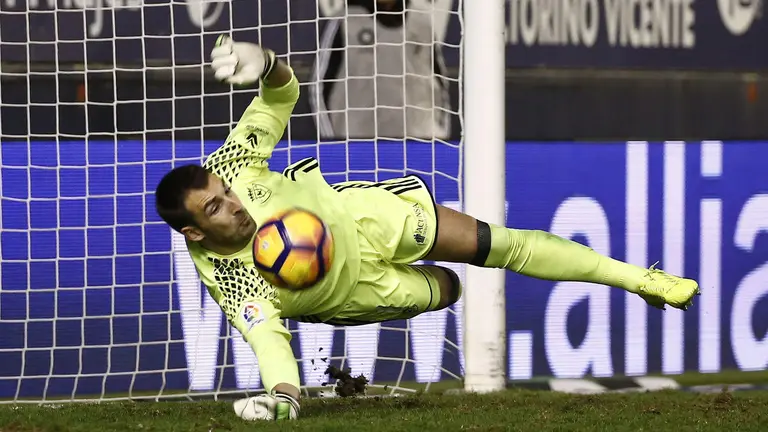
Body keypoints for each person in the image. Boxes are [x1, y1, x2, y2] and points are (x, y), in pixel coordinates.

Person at [154, 37, 700, 421]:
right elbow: (271, 346)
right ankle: (431, 289)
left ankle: (638, 280)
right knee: (448, 288)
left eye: (225, 195)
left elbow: (280, 95)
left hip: (367, 219)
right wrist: (284, 401)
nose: (233, 205)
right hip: (358, 292)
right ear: (195, 235)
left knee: (492, 243)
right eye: (216, 210)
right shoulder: (233, 284)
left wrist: (267, 61)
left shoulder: (232, 164)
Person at [311, 0, 453, 140]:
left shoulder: (422, 21)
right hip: (358, 144)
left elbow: (440, 84)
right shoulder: (345, 21)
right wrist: (332, 142)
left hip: (417, 143)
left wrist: (440, 136)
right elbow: (319, 87)